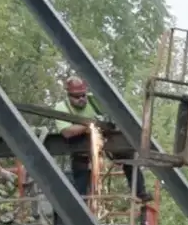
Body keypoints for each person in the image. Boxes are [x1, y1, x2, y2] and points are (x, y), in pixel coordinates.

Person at [56, 75, 149, 203]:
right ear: (69, 95)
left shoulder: (93, 101)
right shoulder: (62, 108)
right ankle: (80, 204)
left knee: (128, 156)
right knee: (82, 170)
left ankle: (140, 192)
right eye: (77, 97)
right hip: (80, 144)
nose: (82, 99)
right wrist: (89, 125)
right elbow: (67, 132)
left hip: (103, 137)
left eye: (83, 95)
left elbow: (114, 108)